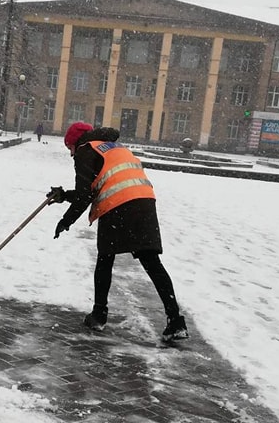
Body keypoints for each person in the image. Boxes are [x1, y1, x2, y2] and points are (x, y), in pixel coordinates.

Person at [50, 121, 188, 341]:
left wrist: (65, 220)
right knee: (152, 262)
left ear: (76, 142)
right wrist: (64, 195)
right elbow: (97, 185)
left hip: (117, 205)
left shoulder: (86, 150)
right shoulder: (115, 147)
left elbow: (86, 195)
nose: (71, 154)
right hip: (144, 201)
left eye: (70, 148)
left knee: (105, 260)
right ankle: (176, 321)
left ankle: (99, 316)